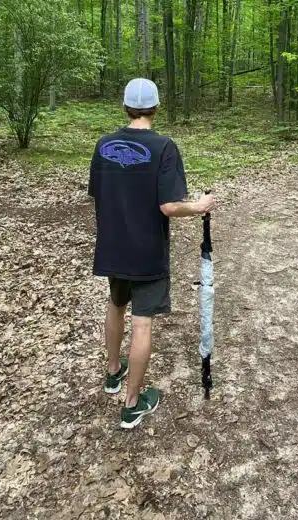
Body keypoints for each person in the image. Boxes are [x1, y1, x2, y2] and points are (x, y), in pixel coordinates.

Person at [88, 78, 215, 429]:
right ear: (156, 108)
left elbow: (98, 193)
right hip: (146, 249)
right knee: (141, 322)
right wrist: (200, 205)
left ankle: (114, 373)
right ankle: (132, 403)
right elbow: (170, 206)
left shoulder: (103, 145)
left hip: (114, 244)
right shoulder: (164, 148)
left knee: (116, 306)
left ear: (125, 106)